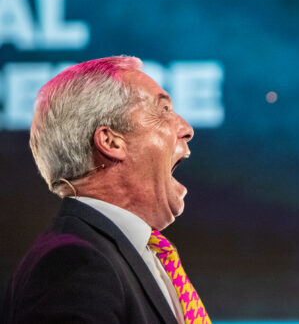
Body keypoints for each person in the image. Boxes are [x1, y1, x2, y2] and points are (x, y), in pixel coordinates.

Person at [2, 56, 210, 324]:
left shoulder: (124, 254)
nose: (187, 129)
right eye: (164, 110)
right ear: (111, 141)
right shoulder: (73, 264)